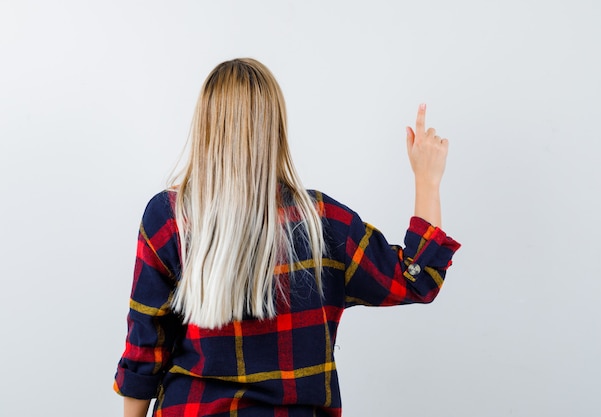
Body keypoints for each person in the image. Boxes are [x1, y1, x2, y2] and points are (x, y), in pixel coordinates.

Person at [114, 58, 460, 417]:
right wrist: (428, 179)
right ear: (275, 128)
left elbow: (145, 348)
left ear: (205, 127)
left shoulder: (170, 217)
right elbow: (416, 279)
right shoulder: (321, 221)